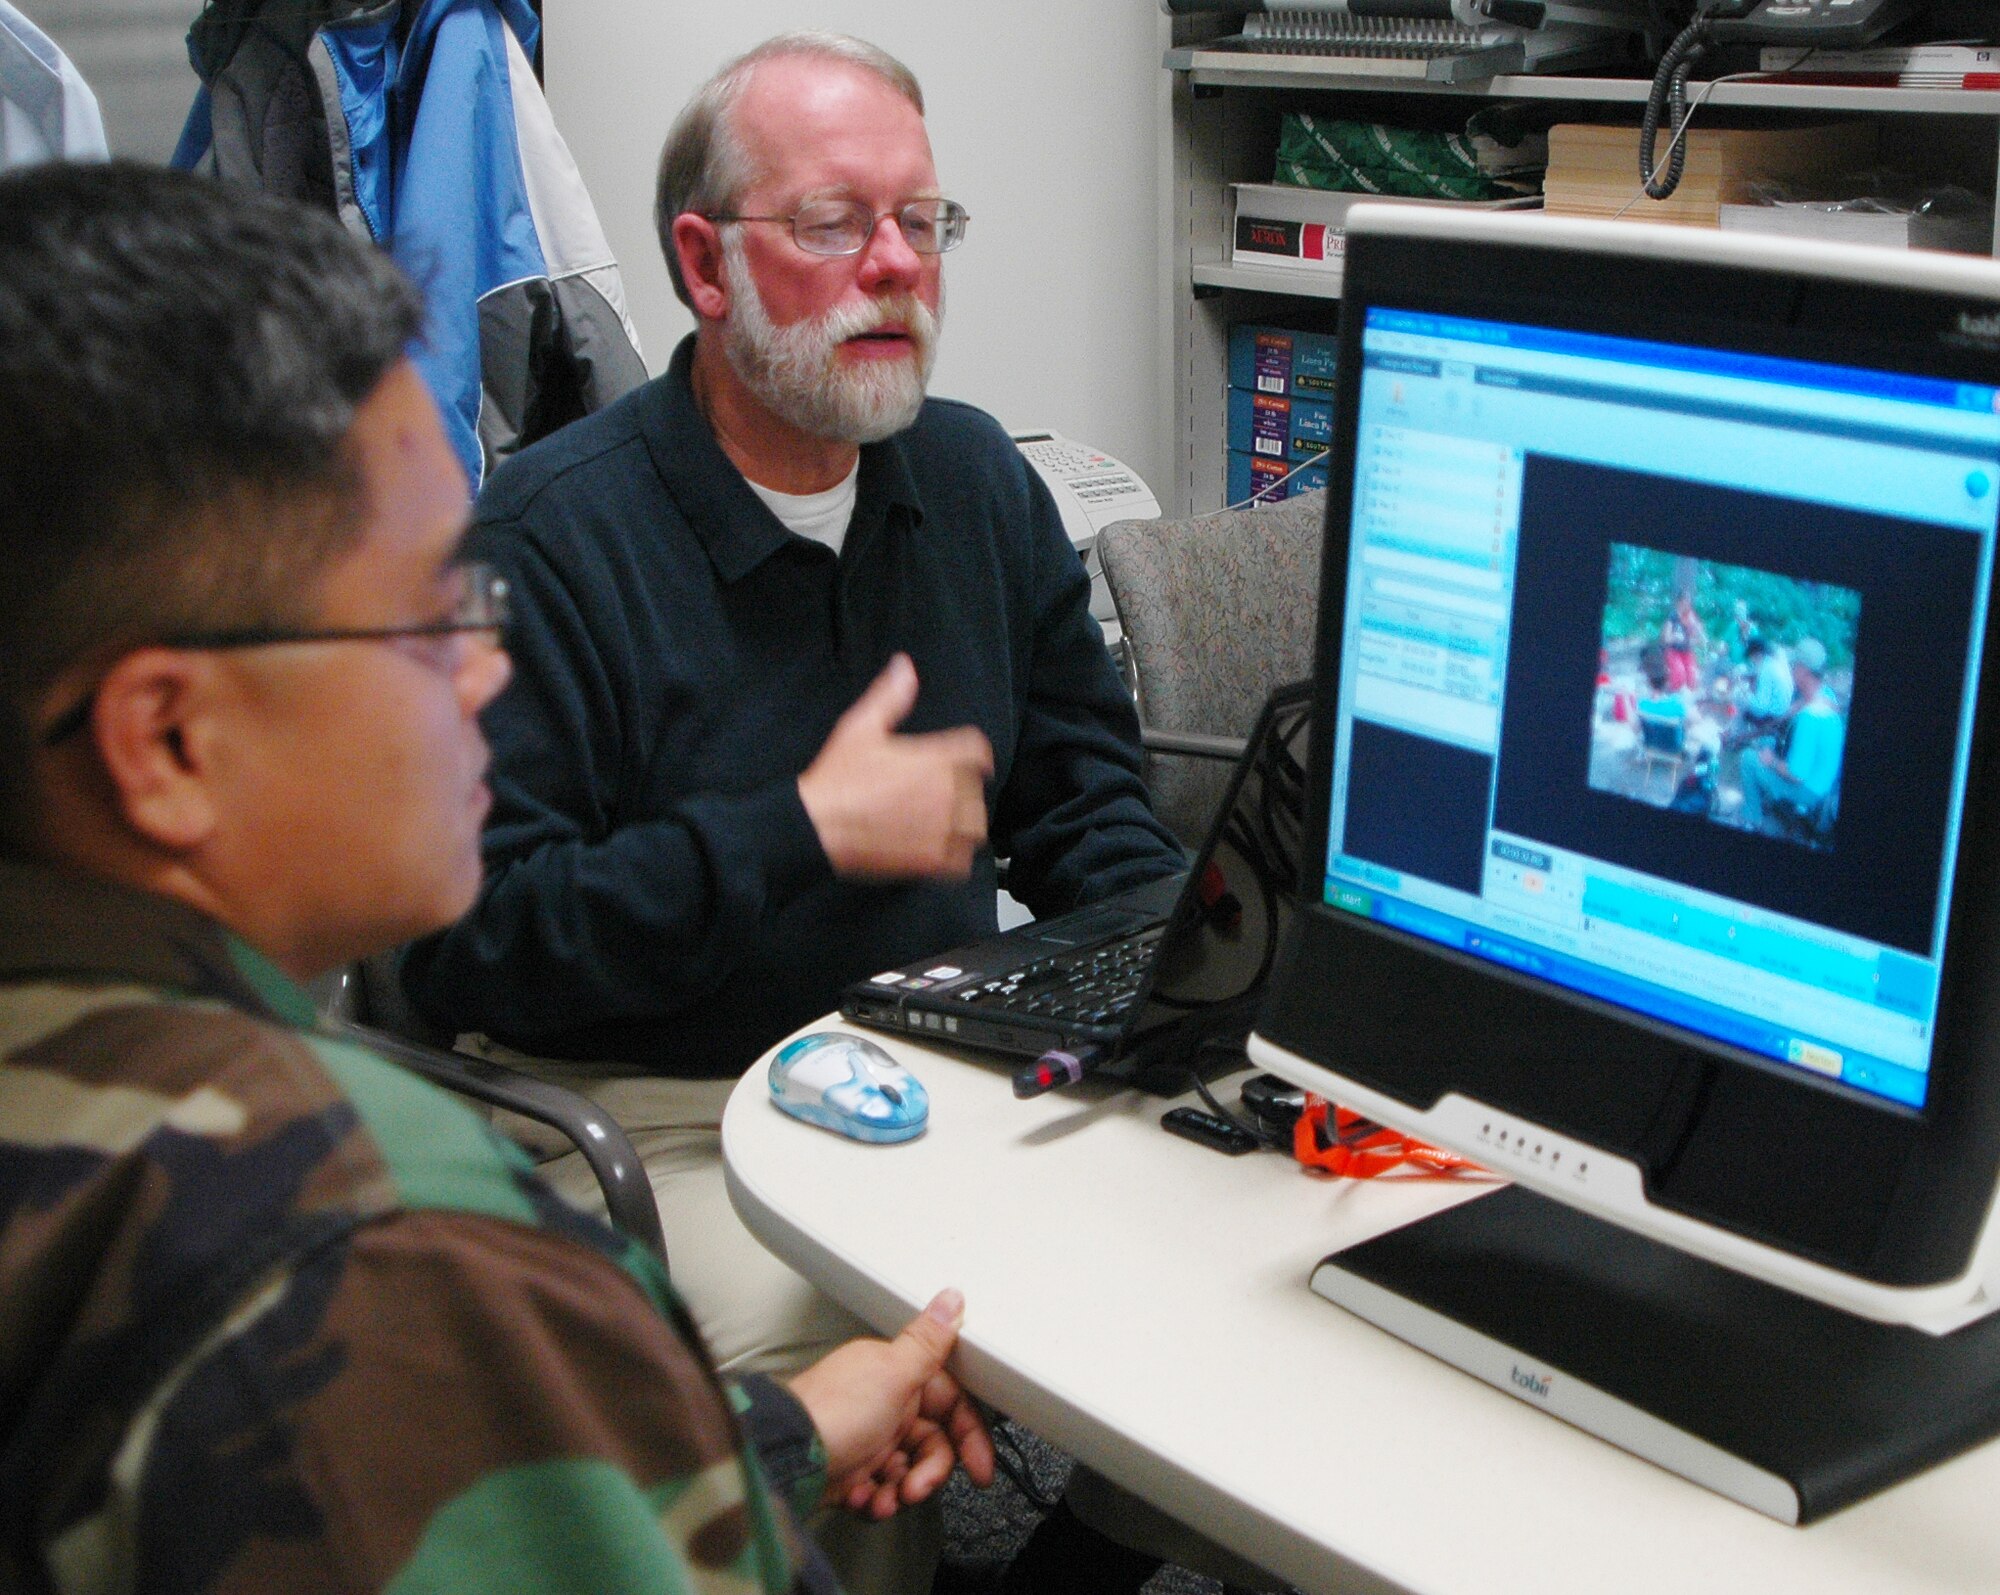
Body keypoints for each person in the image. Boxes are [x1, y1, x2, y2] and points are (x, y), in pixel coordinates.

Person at [0, 160, 993, 1593]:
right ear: (163, 738)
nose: (481, 670)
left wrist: (769, 1439)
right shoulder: (378, 1255)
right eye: (428, 611)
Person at [398, 30, 1209, 1593]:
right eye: (833, 225)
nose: (895, 266)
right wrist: (801, 830)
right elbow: (474, 951)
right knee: (851, 1373)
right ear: (704, 264)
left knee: (1231, 1282)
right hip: (657, 1115)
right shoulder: (547, 543)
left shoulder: (970, 482)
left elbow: (1087, 807)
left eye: (924, 221)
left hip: (937, 1075)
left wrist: (1197, 965)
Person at [1738, 636, 1845, 837]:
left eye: (1794, 665)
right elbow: (1810, 705)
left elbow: (1796, 775)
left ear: (1803, 671)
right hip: (1825, 781)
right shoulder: (1826, 697)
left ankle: (1751, 819)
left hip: (1809, 790)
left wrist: (1771, 762)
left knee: (1749, 759)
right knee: (1767, 742)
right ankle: (1769, 802)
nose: (1790, 669)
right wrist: (1795, 708)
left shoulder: (1810, 718)